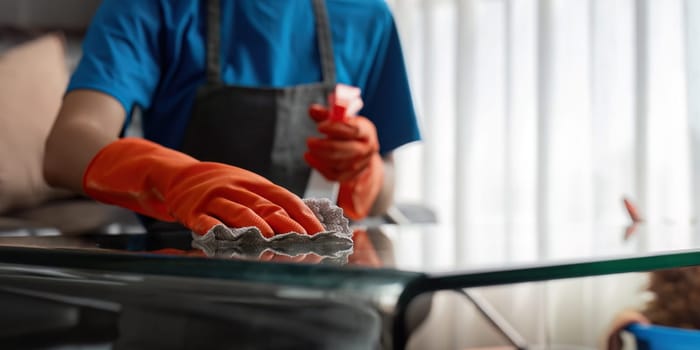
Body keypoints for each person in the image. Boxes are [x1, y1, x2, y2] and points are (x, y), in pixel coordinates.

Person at [43, 0, 421, 237]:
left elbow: (386, 189)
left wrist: (365, 171)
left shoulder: (368, 15)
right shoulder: (150, 7)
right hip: (181, 294)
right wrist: (177, 179)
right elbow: (66, 149)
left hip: (334, 304)